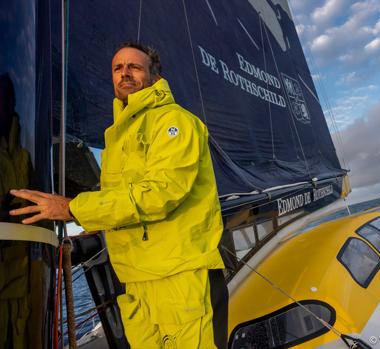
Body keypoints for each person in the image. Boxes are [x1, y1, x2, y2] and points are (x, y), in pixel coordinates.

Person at [10, 42, 226, 348]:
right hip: (136, 280)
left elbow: (159, 194)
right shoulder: (115, 137)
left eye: (134, 67)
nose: (124, 73)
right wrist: (98, 225)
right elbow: (123, 200)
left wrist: (72, 208)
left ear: (153, 76)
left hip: (180, 278)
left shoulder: (174, 122)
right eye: (117, 68)